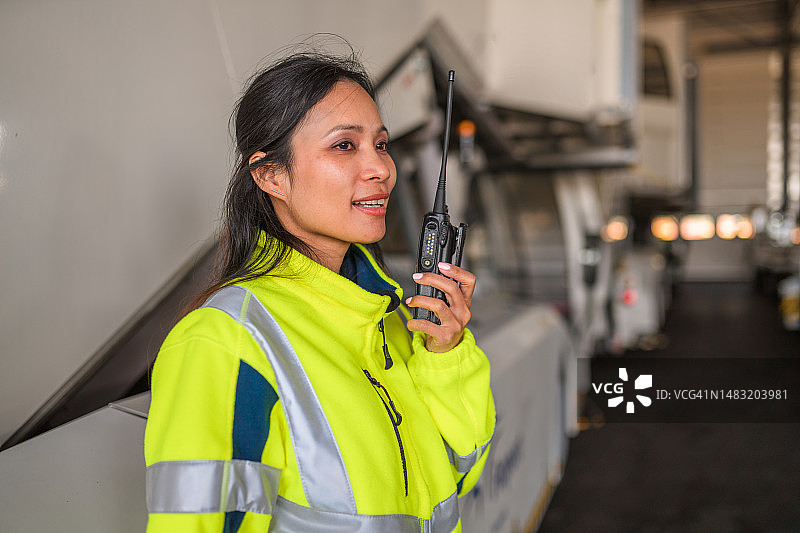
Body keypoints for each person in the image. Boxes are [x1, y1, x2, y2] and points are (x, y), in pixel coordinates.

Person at [144, 49, 495, 533]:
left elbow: (456, 474)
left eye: (382, 144)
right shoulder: (225, 342)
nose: (381, 169)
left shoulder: (390, 319)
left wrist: (445, 353)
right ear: (270, 175)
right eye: (344, 146)